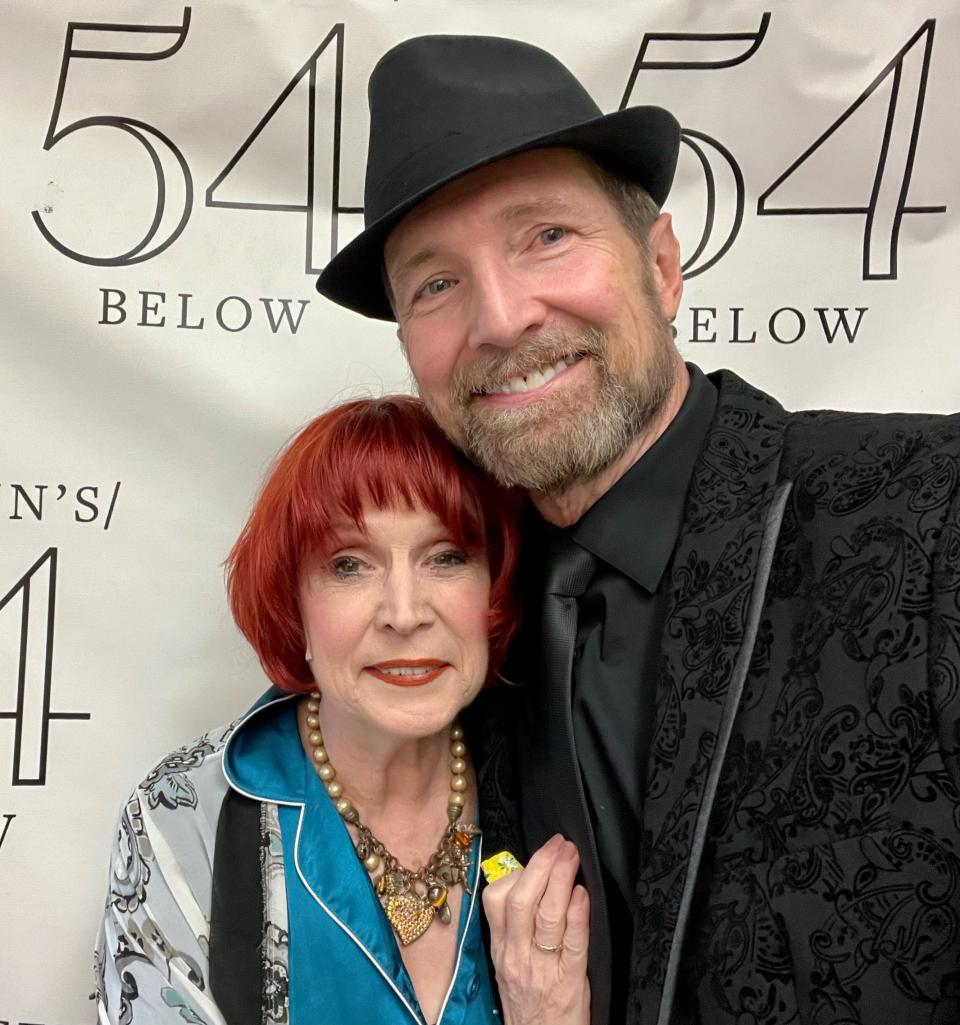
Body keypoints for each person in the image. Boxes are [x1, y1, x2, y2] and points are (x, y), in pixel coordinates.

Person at [314, 34, 960, 1025]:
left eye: (546, 237)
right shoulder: (449, 640)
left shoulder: (932, 505)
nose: (500, 316)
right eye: (435, 283)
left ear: (661, 265)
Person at [93, 396, 592, 1025]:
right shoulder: (184, 817)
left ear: (494, 587)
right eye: (349, 565)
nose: (405, 613)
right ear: (291, 601)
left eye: (446, 557)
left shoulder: (567, 783)